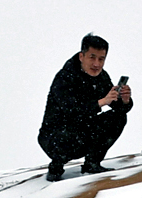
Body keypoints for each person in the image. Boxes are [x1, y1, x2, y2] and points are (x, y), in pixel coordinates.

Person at [37, 33, 133, 182]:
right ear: (82, 56)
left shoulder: (102, 77)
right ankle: (56, 167)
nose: (97, 64)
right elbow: (70, 111)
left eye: (101, 59)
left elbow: (116, 106)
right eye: (92, 57)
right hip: (54, 136)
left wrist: (124, 101)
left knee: (118, 117)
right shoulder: (65, 77)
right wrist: (101, 102)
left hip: (83, 130)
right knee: (65, 135)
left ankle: (92, 164)